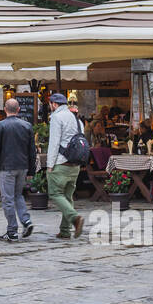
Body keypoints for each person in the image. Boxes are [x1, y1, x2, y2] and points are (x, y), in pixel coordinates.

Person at [0, 98, 37, 243]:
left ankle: (12, 230)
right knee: (18, 195)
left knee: (7, 198)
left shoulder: (0, 126)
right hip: (23, 166)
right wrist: (32, 170)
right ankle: (26, 221)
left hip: (7, 167)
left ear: (5, 109)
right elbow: (32, 151)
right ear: (18, 110)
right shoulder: (27, 125)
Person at [45, 92, 85, 240]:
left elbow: (54, 142)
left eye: (50, 105)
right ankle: (65, 231)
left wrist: (50, 165)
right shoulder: (77, 120)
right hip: (75, 164)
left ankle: (75, 218)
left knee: (55, 193)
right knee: (67, 197)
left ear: (54, 104)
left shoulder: (56, 117)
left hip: (61, 162)